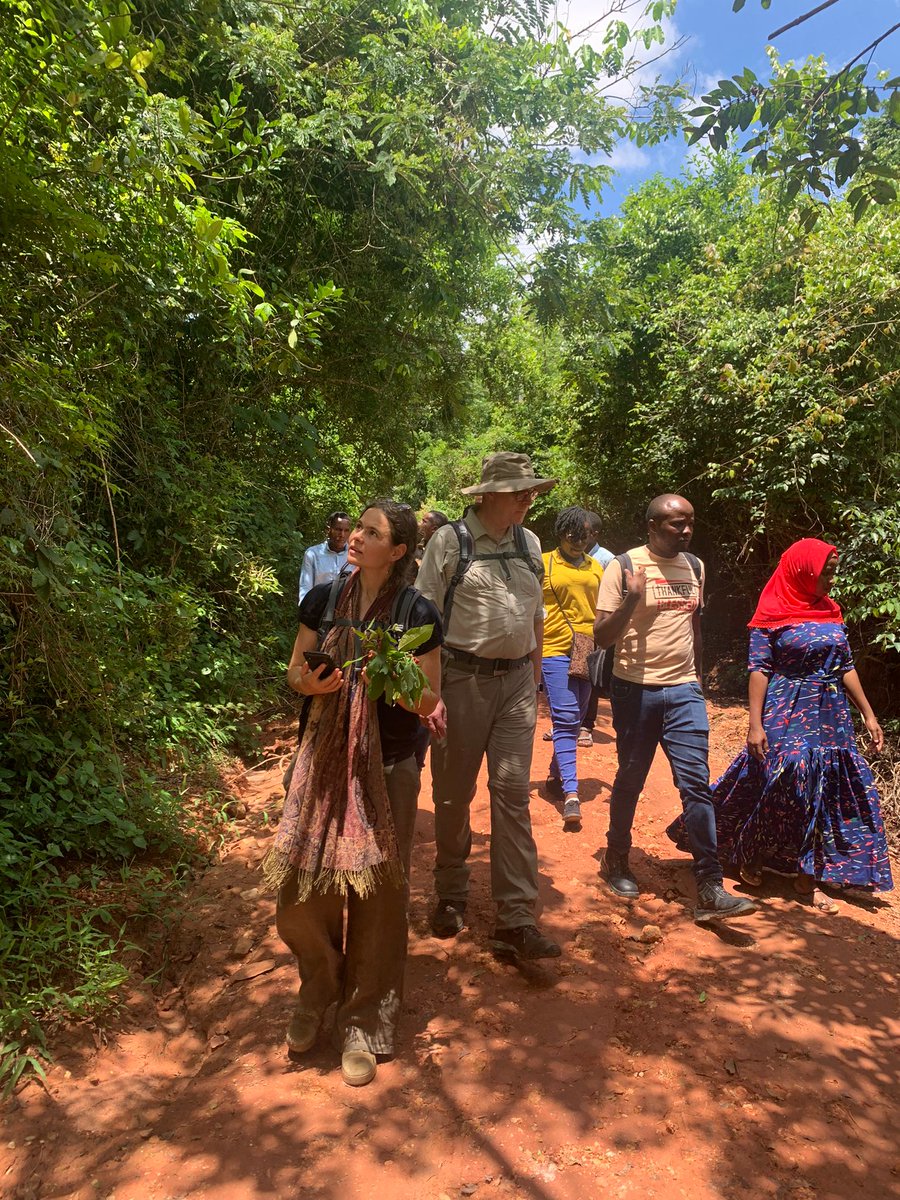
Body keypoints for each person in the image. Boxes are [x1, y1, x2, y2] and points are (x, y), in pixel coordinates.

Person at [266, 500, 443, 1088]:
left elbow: (428, 701)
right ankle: (320, 985)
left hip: (388, 765)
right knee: (301, 889)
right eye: (358, 529)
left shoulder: (417, 612)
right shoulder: (323, 599)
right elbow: (294, 672)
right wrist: (310, 682)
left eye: (373, 533)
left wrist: (395, 678)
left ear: (397, 552)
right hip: (319, 760)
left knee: (379, 896)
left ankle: (365, 1020)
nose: (357, 538)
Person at [667, 538, 892, 911]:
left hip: (830, 713)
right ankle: (752, 851)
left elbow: (845, 665)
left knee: (824, 789)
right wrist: (754, 724)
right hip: (787, 707)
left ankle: (807, 878)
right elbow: (759, 669)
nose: (831, 580)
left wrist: (868, 713)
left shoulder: (830, 611)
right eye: (826, 573)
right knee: (783, 778)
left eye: (834, 573)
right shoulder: (771, 612)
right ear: (803, 571)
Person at [416, 452, 562, 960]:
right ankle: (451, 892)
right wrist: (428, 694)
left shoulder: (530, 543)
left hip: (518, 682)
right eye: (520, 490)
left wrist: (538, 679)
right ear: (489, 494)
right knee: (453, 795)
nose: (529, 498)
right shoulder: (449, 541)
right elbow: (421, 624)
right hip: (461, 682)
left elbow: (536, 618)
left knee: (512, 792)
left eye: (532, 490)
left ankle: (516, 918)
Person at [593, 494, 756, 922]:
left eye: (690, 523)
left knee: (696, 785)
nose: (684, 531)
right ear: (651, 526)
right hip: (635, 690)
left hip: (684, 690)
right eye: (674, 524)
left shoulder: (695, 567)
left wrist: (698, 682)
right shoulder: (624, 566)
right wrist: (631, 600)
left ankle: (710, 885)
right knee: (630, 779)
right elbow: (602, 638)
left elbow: (694, 628)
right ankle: (617, 857)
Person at [542, 507, 604, 828]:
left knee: (578, 715)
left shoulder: (597, 568)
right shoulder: (544, 563)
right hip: (553, 649)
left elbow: (604, 610)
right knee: (566, 718)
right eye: (574, 534)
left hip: (587, 650)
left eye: (586, 535)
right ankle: (571, 793)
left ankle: (554, 776)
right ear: (562, 531)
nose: (580, 541)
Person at [579, 510, 615, 743]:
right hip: (569, 626)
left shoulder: (606, 559)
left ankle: (586, 726)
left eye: (584, 532)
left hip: (594, 627)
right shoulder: (570, 556)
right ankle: (565, 725)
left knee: (588, 677)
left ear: (595, 534)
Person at [297, 511, 351, 603]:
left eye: (346, 531)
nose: (342, 535)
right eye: (338, 529)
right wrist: (306, 610)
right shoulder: (313, 554)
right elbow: (305, 588)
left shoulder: (354, 555)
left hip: (346, 612)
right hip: (318, 609)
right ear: (328, 530)